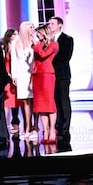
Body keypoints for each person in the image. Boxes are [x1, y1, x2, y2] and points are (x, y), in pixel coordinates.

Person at [31, 25, 59, 144]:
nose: (37, 35)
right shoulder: (38, 45)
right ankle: (45, 130)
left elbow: (43, 55)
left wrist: (36, 44)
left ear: (44, 33)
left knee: (49, 102)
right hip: (37, 75)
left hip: (47, 74)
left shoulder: (53, 44)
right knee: (40, 105)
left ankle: (52, 130)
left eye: (39, 33)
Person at [9, 21, 36, 140]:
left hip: (34, 73)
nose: (33, 29)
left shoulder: (36, 40)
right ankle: (27, 128)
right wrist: (14, 76)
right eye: (31, 27)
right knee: (26, 101)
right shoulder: (16, 42)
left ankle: (35, 127)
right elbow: (14, 60)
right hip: (22, 74)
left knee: (35, 101)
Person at [49, 16, 74, 146]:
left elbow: (65, 57)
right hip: (51, 75)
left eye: (52, 23)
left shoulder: (67, 39)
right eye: (50, 24)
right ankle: (57, 127)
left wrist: (49, 58)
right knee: (56, 102)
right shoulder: (49, 40)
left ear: (60, 25)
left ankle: (65, 129)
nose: (50, 25)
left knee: (64, 100)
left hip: (63, 75)